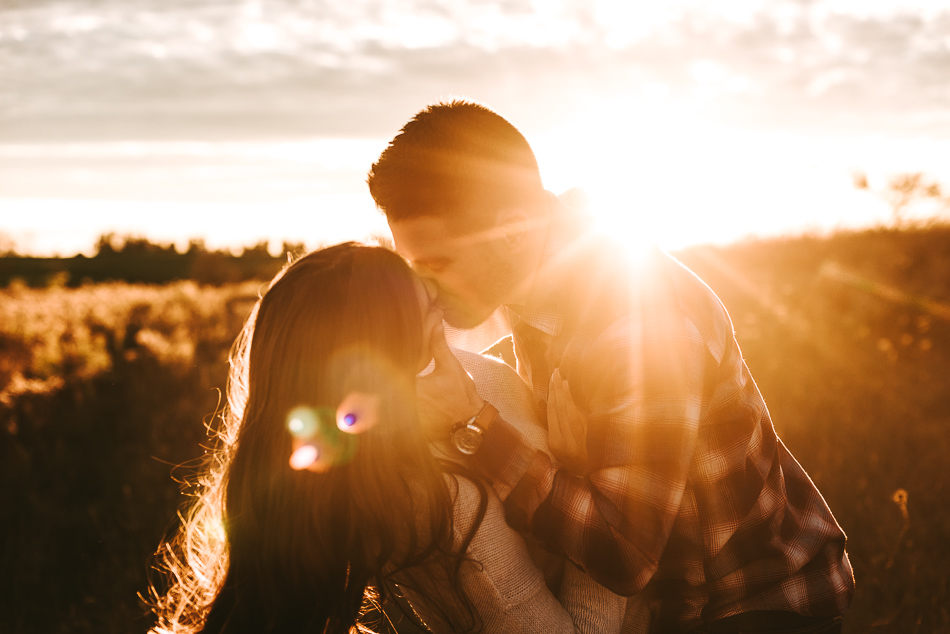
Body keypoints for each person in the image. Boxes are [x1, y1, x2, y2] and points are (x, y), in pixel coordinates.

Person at [366, 99, 856, 633]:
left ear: (511, 231)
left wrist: (475, 425)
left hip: (751, 603)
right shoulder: (531, 274)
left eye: (436, 264)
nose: (425, 286)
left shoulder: (642, 322)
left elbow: (626, 555)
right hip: (669, 604)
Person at [147, 243, 626, 634]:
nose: (440, 302)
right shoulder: (440, 496)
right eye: (426, 310)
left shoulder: (475, 377)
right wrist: (590, 476)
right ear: (386, 349)